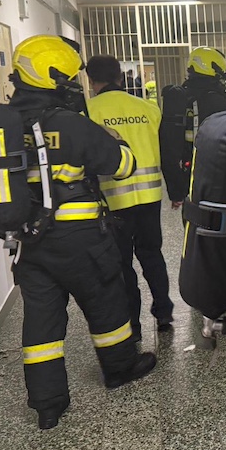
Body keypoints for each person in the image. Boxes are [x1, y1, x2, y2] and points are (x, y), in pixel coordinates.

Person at [5, 36, 157, 429]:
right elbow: (122, 166)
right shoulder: (71, 124)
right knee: (105, 299)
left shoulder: (5, 126)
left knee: (41, 320)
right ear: (57, 77)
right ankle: (120, 368)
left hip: (30, 240)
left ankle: (47, 404)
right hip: (80, 237)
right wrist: (117, 142)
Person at [85, 55, 174, 341]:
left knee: (122, 263)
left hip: (114, 201)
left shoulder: (87, 112)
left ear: (91, 80)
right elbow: (165, 150)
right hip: (150, 196)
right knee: (152, 254)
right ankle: (164, 312)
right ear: (120, 77)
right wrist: (176, 191)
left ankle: (132, 325)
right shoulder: (148, 108)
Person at [159, 47, 226, 213]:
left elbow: (168, 149)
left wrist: (176, 191)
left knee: (192, 221)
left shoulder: (182, 97)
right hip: (216, 176)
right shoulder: (217, 101)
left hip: (187, 177)